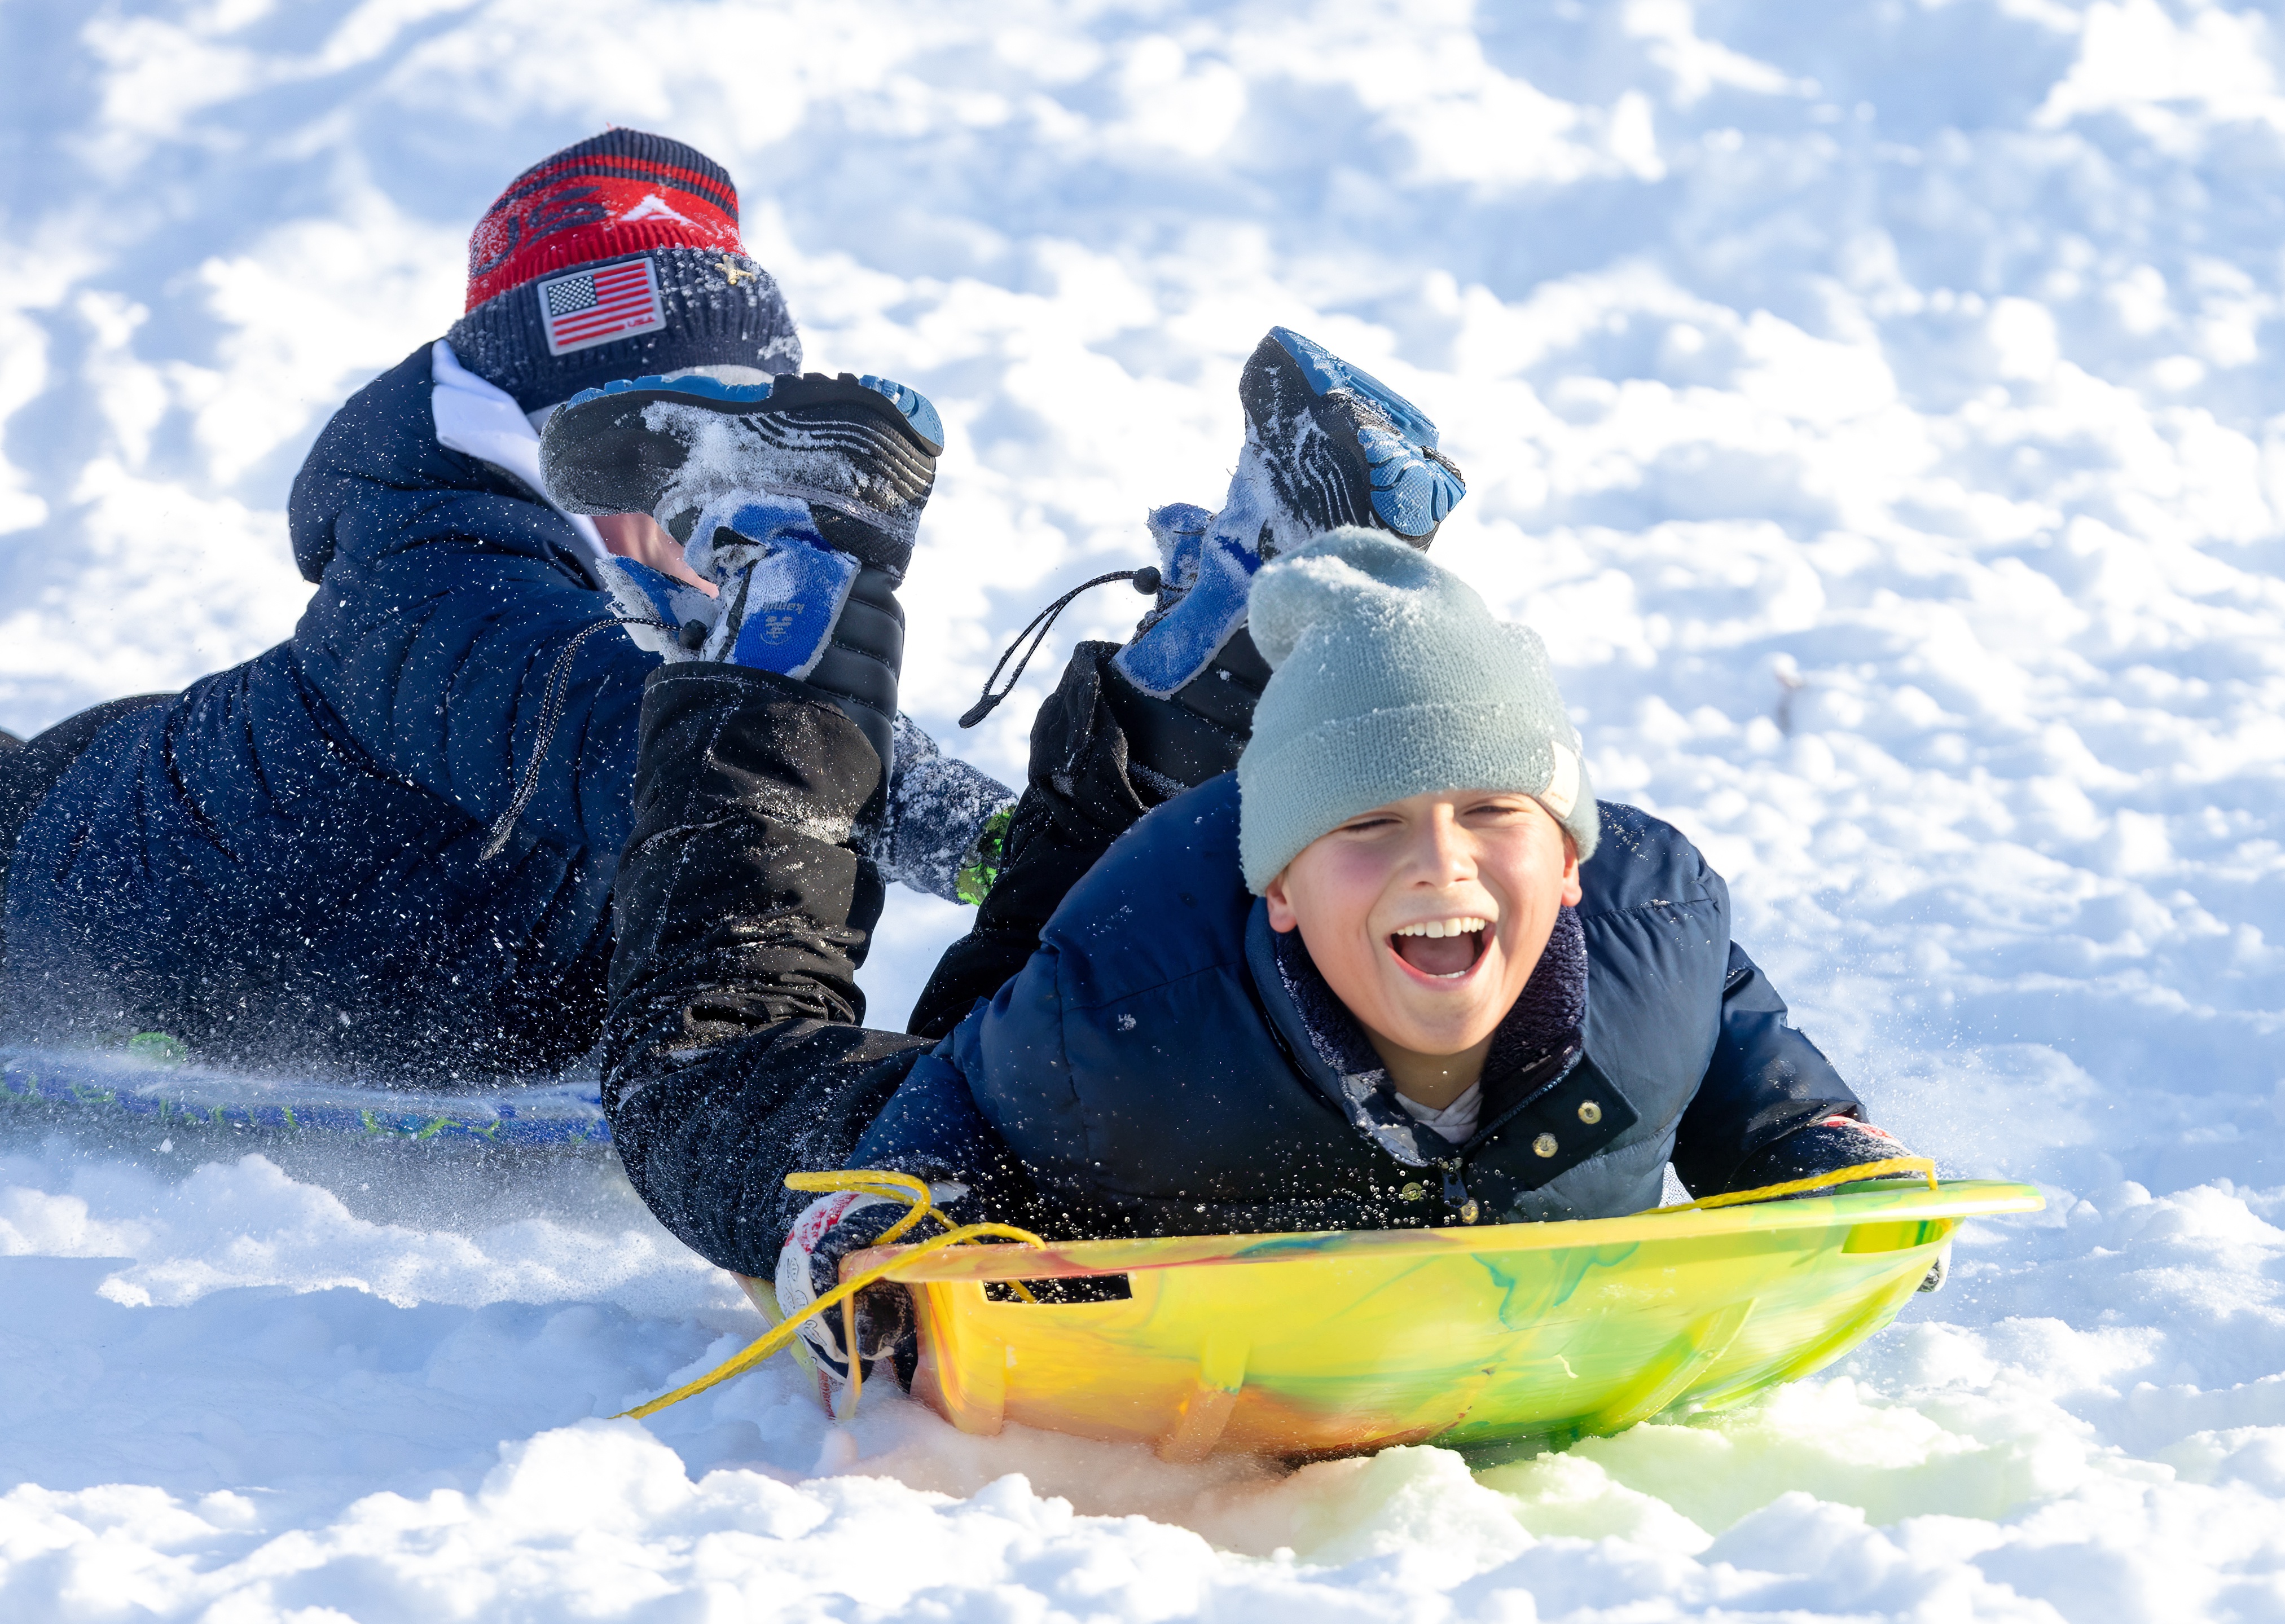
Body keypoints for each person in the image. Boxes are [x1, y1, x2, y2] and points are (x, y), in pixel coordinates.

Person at [553, 323, 1913, 1405]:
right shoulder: (1117, 1032)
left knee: (1194, 903)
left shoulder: (1651, 920)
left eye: (1496, 821)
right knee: (709, 1073)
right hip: (1116, 1054)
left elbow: (1720, 1008)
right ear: (1275, 884)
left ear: (1571, 860)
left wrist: (1810, 1147)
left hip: (1192, 949)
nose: (1447, 866)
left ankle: (1265, 586)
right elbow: (967, 1095)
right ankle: (802, 571)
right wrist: (899, 1222)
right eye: (1374, 830)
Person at [0, 129, 1010, 1077]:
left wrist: (1013, 842)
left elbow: (767, 707)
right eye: (671, 435)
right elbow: (669, 748)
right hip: (90, 904)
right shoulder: (431, 573)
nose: (708, 485)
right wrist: (972, 842)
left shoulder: (647, 550)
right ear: (557, 416)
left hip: (357, 903)